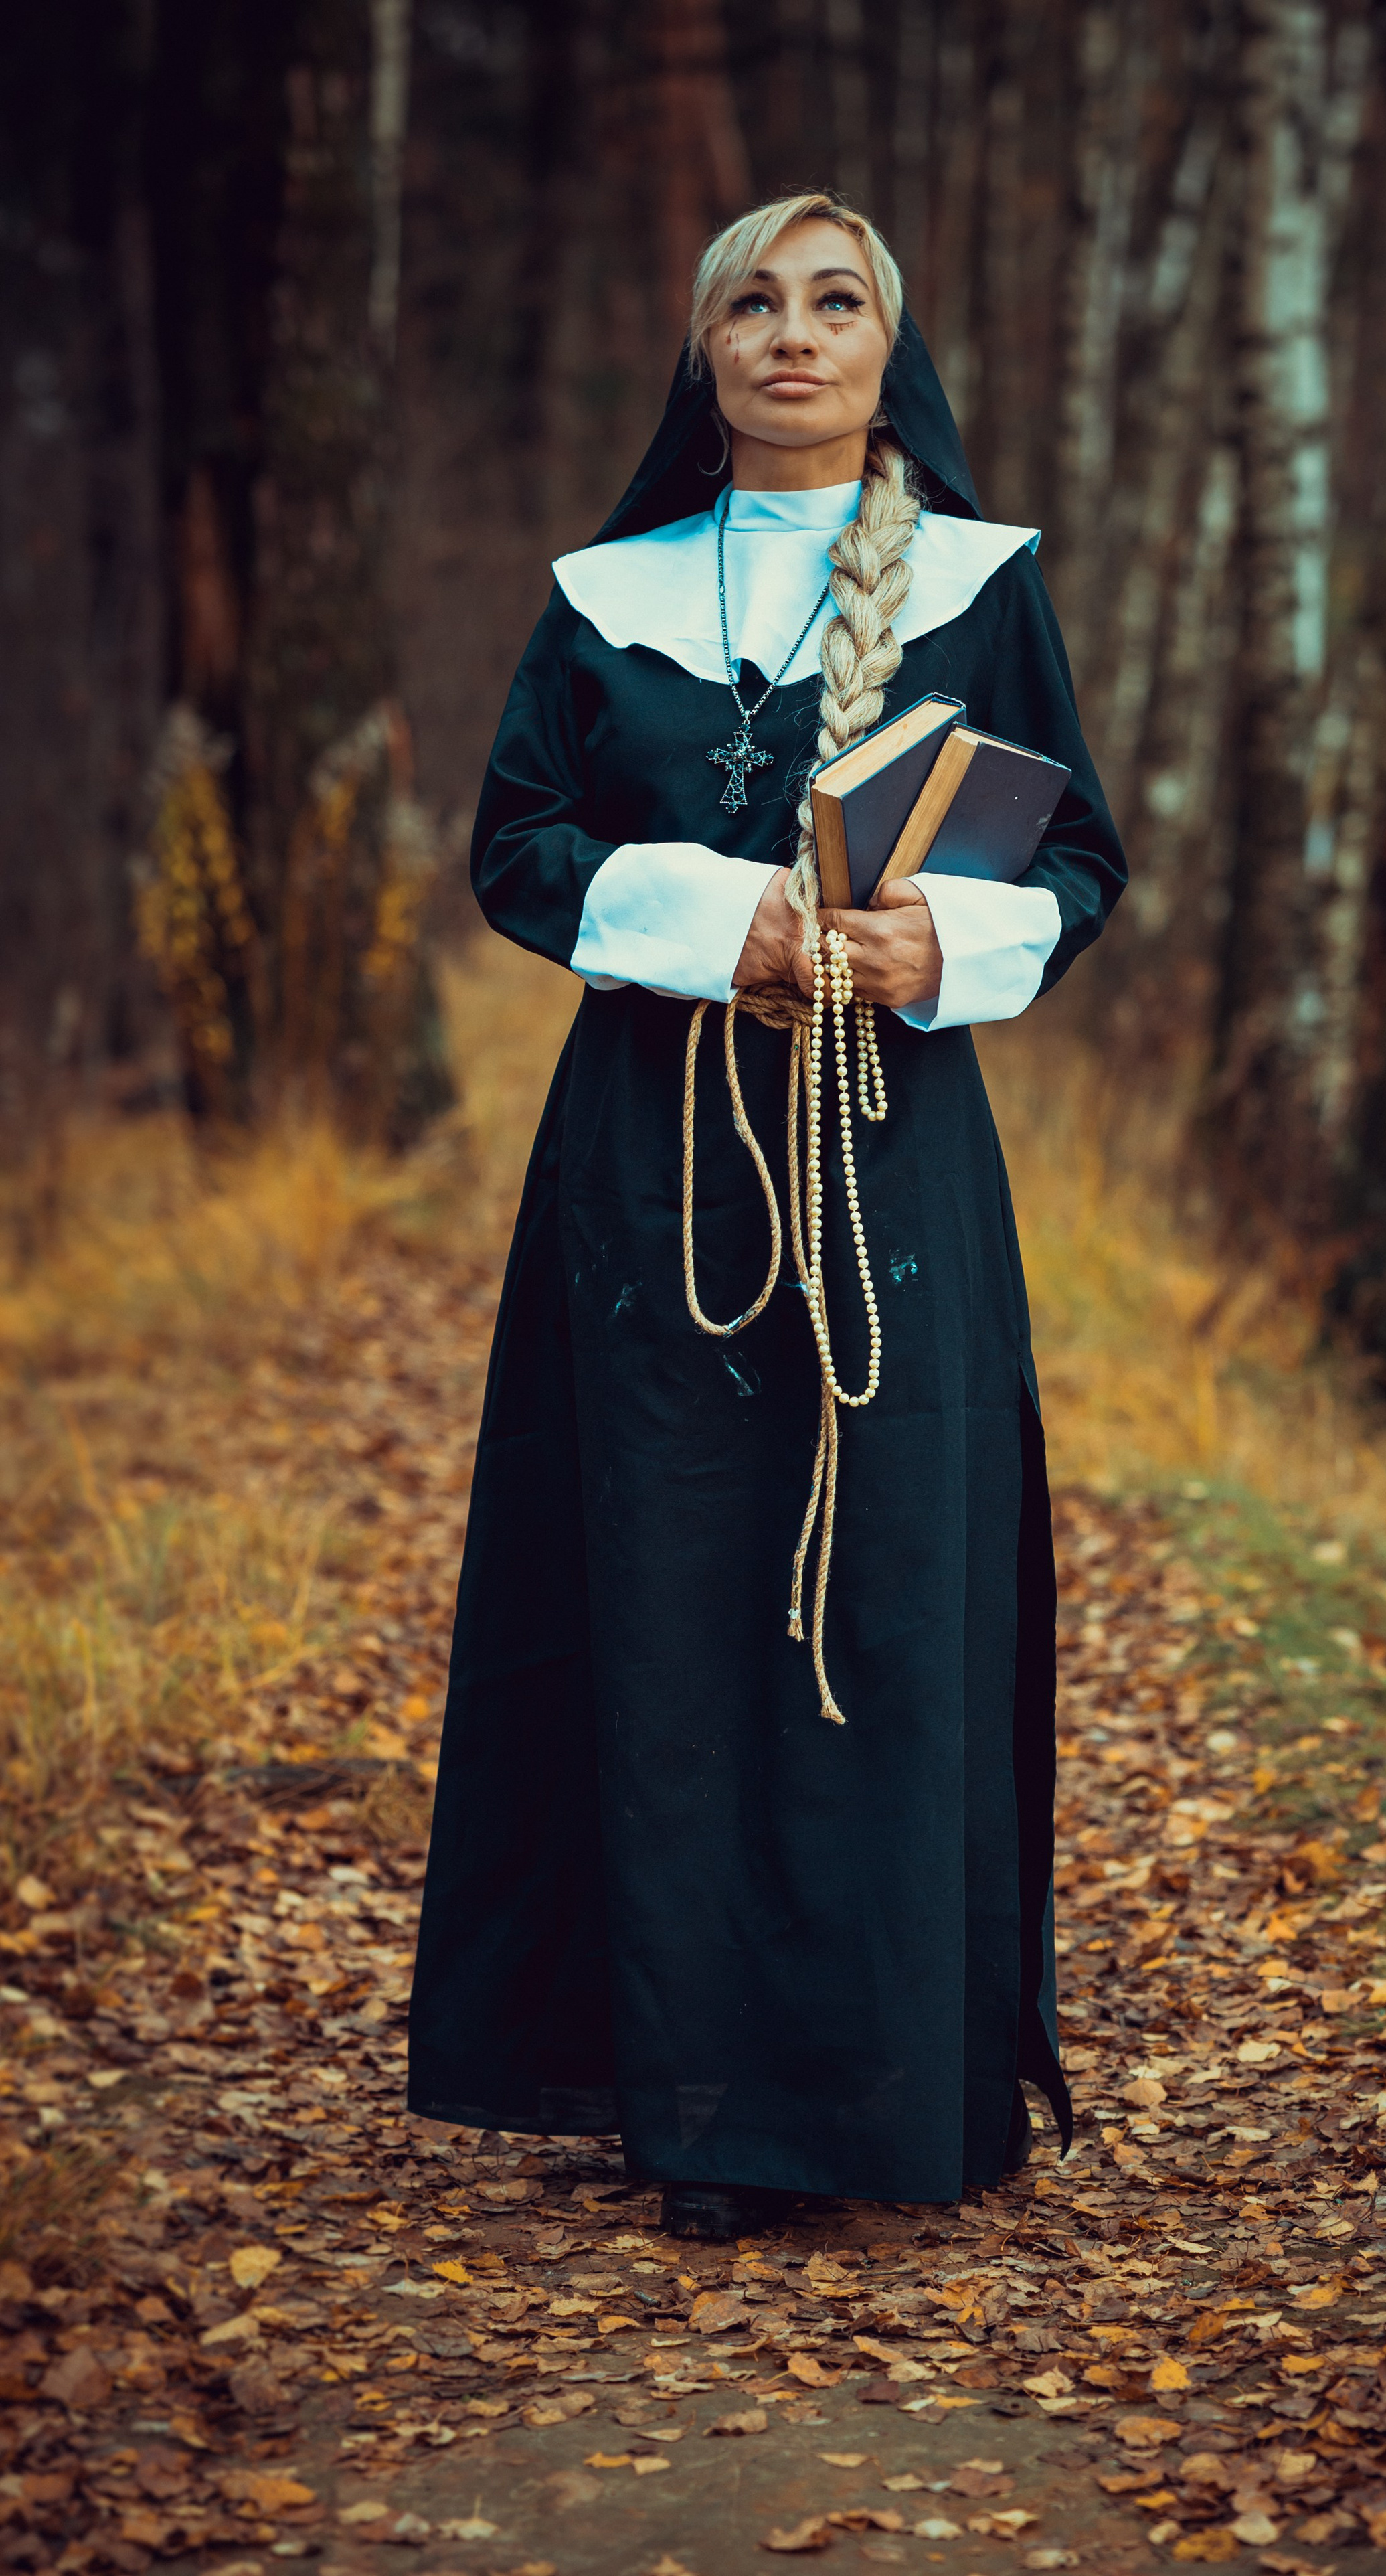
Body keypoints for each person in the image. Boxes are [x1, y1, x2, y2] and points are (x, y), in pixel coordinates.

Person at [407, 191, 1127, 2241]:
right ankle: (695, 2099)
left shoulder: (981, 590)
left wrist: (939, 944)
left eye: (835, 303)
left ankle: (882, 2093)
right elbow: (518, 849)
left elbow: (1077, 858)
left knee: (881, 1594)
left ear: (890, 352)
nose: (793, 333)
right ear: (704, 347)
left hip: (892, 1158)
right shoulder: (604, 596)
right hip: (653, 1163)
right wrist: (713, 921)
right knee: (666, 1584)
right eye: (754, 300)